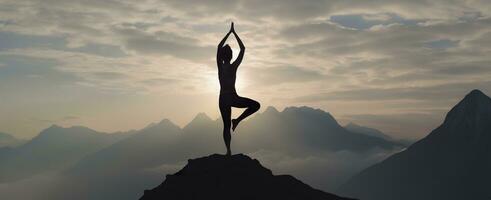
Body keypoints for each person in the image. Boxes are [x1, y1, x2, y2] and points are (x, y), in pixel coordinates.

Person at [216, 22, 260, 156]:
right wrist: (233, 33)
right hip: (231, 97)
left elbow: (219, 47)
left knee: (226, 126)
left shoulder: (221, 66)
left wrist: (230, 33)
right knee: (255, 105)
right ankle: (237, 121)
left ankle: (228, 150)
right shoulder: (232, 66)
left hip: (224, 98)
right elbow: (243, 49)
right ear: (229, 56)